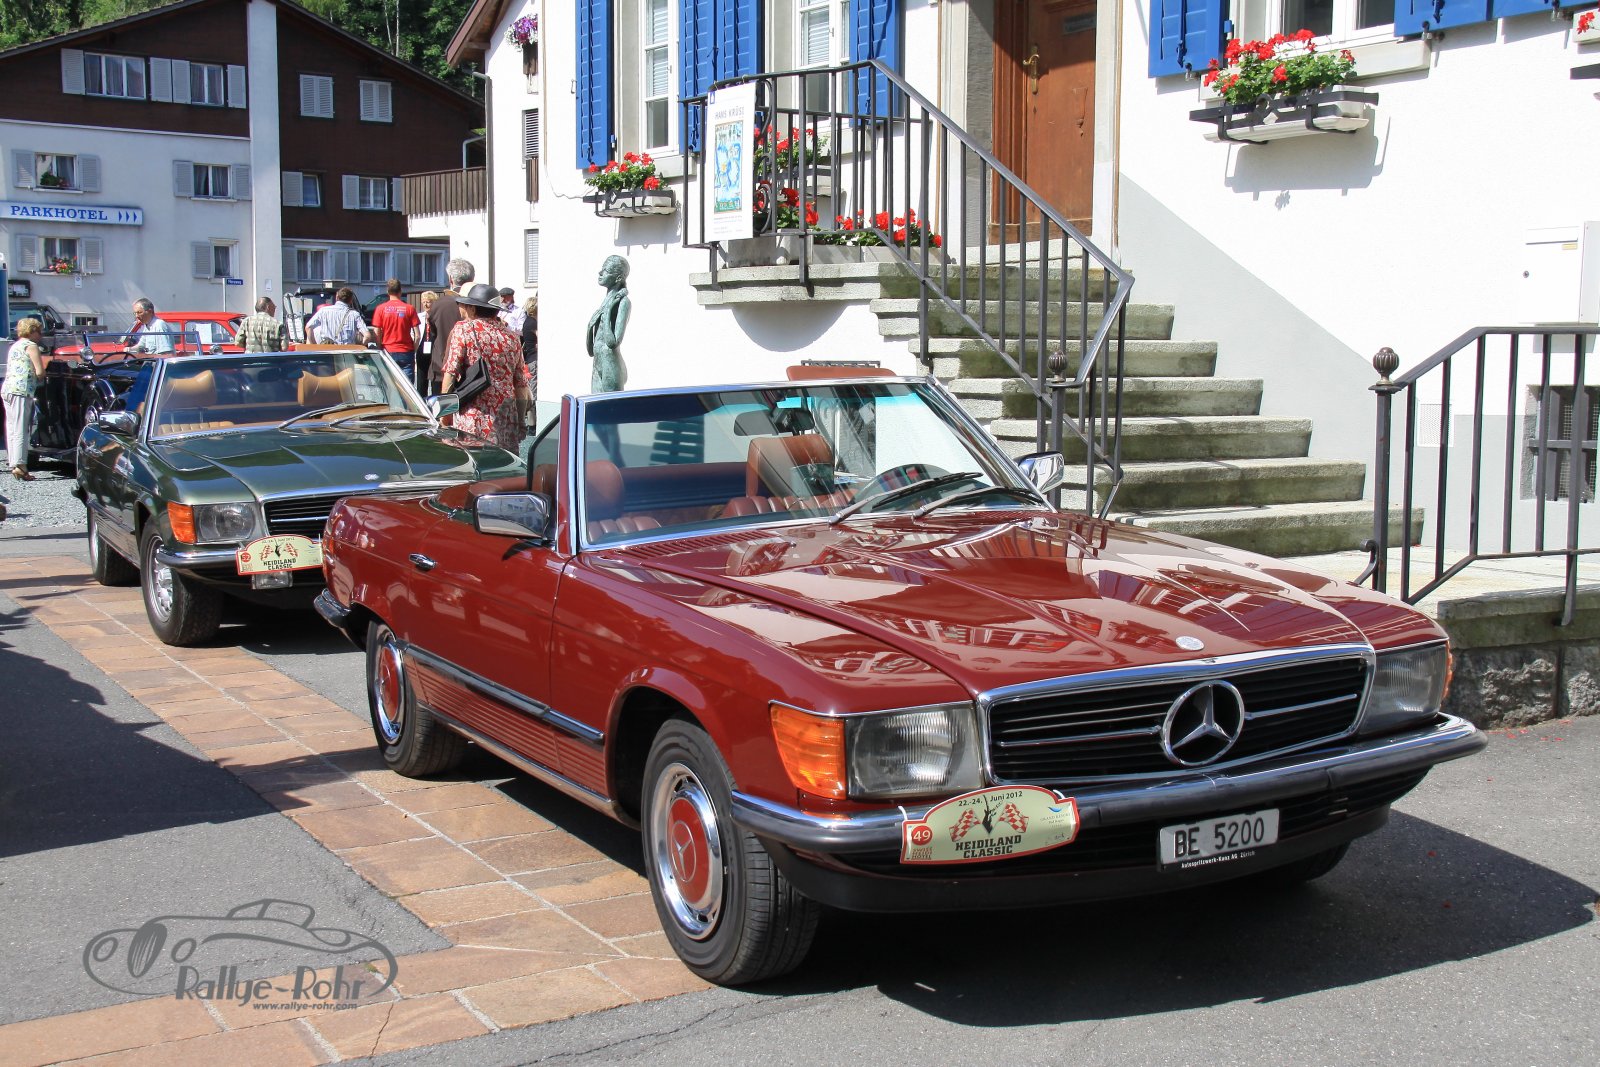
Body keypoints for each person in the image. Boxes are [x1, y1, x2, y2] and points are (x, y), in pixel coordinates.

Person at [440, 283, 530, 452]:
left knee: (472, 465)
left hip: (472, 420)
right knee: (503, 466)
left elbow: (450, 374)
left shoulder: (464, 331)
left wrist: (444, 415)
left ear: (473, 308)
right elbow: (521, 385)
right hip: (505, 420)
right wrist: (520, 421)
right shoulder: (512, 337)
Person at [4, 317, 48, 481]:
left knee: (11, 428)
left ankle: (14, 463)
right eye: (39, 331)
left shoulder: (15, 345)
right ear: (32, 331)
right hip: (22, 390)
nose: (40, 335)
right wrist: (42, 375)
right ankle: (21, 465)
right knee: (21, 429)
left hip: (8, 389)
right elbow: (39, 371)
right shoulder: (31, 346)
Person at [427, 258, 475, 396]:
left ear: (450, 279)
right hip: (473, 373)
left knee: (443, 408)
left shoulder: (438, 305)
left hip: (441, 370)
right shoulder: (480, 305)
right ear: (472, 279)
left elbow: (430, 336)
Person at [370, 278, 422, 381]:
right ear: (400, 291)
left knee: (388, 383)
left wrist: (380, 347)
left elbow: (376, 332)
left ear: (387, 291)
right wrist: (413, 349)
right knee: (407, 385)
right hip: (406, 351)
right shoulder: (409, 308)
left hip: (388, 350)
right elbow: (417, 335)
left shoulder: (380, 308)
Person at [307, 288, 375, 345]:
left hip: (327, 351)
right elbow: (367, 336)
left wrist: (315, 346)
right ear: (351, 300)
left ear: (337, 297)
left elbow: (308, 327)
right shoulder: (354, 314)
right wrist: (358, 347)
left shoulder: (323, 311)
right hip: (347, 353)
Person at [414, 290, 438, 393]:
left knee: (435, 381)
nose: (425, 304)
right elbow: (414, 334)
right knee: (421, 382)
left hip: (434, 352)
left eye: (428, 302)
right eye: (423, 302)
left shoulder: (437, 316)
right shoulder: (419, 316)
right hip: (421, 351)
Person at [519, 294, 538, 408]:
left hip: (531, 358)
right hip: (534, 359)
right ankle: (532, 414)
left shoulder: (527, 322)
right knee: (534, 391)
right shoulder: (533, 323)